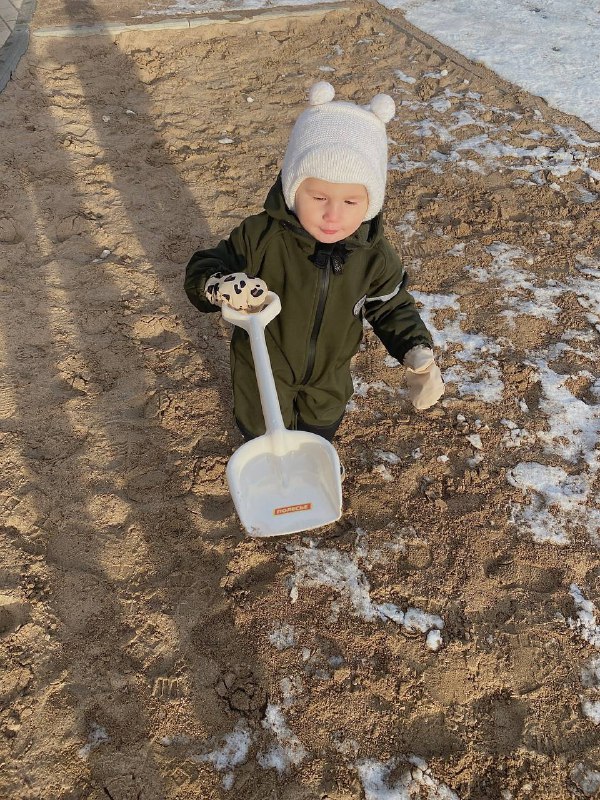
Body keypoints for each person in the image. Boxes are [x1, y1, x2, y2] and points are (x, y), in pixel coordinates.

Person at [184, 81, 444, 443]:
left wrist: (416, 350)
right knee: (262, 430)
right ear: (293, 187)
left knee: (320, 428)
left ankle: (315, 457)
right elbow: (206, 266)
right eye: (319, 196)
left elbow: (390, 306)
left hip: (329, 374)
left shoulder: (373, 253)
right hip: (263, 367)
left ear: (370, 202)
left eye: (351, 202)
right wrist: (217, 285)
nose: (332, 215)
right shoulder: (262, 236)